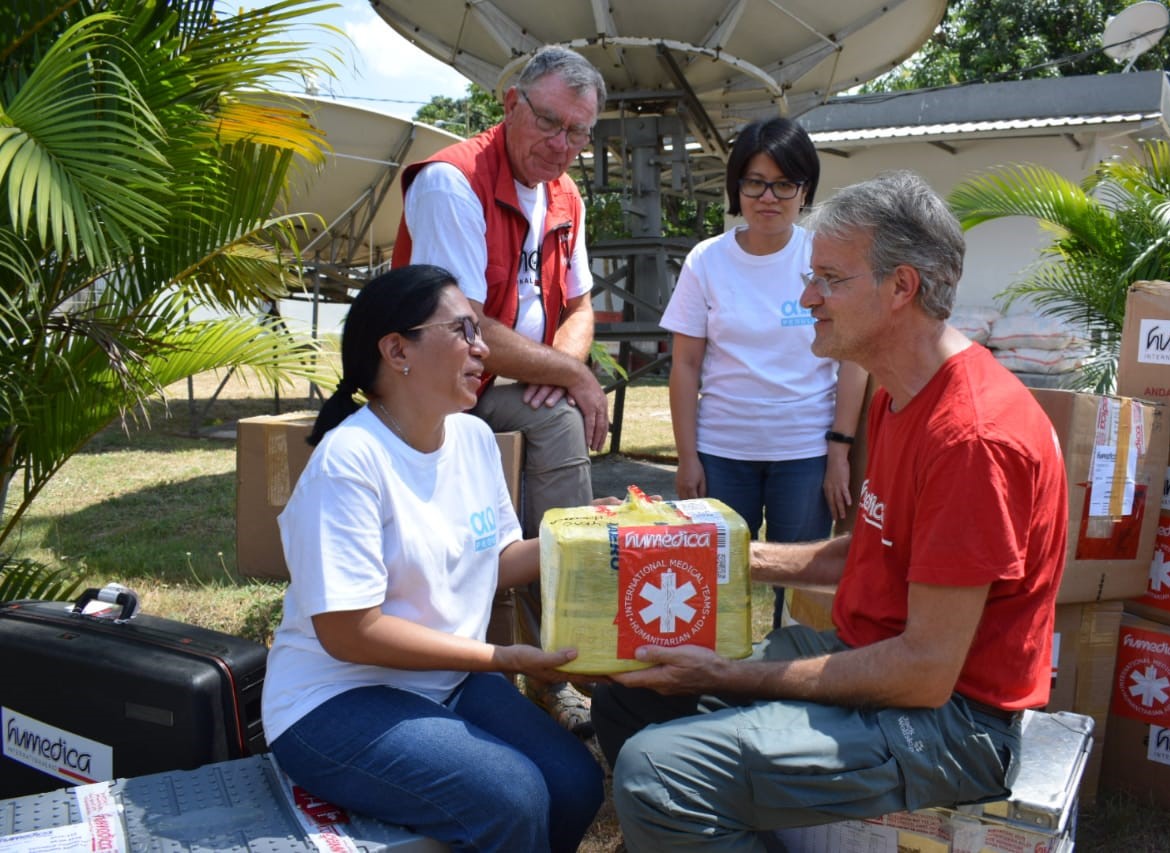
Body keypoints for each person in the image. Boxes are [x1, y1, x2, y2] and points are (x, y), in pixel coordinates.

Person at [591, 171, 1069, 851]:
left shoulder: (972, 438)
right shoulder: (899, 390)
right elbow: (868, 550)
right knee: (629, 695)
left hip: (952, 722)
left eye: (829, 279)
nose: (807, 297)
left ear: (901, 287)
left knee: (654, 776)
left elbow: (925, 670)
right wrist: (686, 543)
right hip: (872, 658)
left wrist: (729, 673)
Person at [262, 265, 603, 853]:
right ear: (397, 350)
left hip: (445, 681)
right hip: (335, 700)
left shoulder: (471, 439)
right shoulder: (351, 462)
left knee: (575, 784)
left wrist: (584, 532)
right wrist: (502, 656)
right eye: (464, 330)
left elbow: (492, 559)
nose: (482, 347)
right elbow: (350, 632)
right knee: (513, 797)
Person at [392, 44, 609, 735]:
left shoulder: (566, 194)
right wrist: (569, 373)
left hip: (509, 380)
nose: (563, 145)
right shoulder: (452, 182)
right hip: (437, 385)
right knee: (551, 427)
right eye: (550, 123)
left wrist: (560, 368)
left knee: (557, 423)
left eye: (579, 132)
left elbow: (579, 306)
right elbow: (465, 324)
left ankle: (558, 658)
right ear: (510, 103)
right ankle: (525, 656)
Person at [660, 117, 868, 629]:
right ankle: (714, 684)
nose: (768, 197)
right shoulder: (706, 260)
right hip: (722, 452)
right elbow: (685, 366)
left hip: (804, 453)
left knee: (802, 591)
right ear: (736, 187)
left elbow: (853, 358)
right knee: (711, 582)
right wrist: (687, 458)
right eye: (754, 182)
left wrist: (839, 451)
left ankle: (788, 687)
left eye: (784, 183)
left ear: (805, 189)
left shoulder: (824, 257)